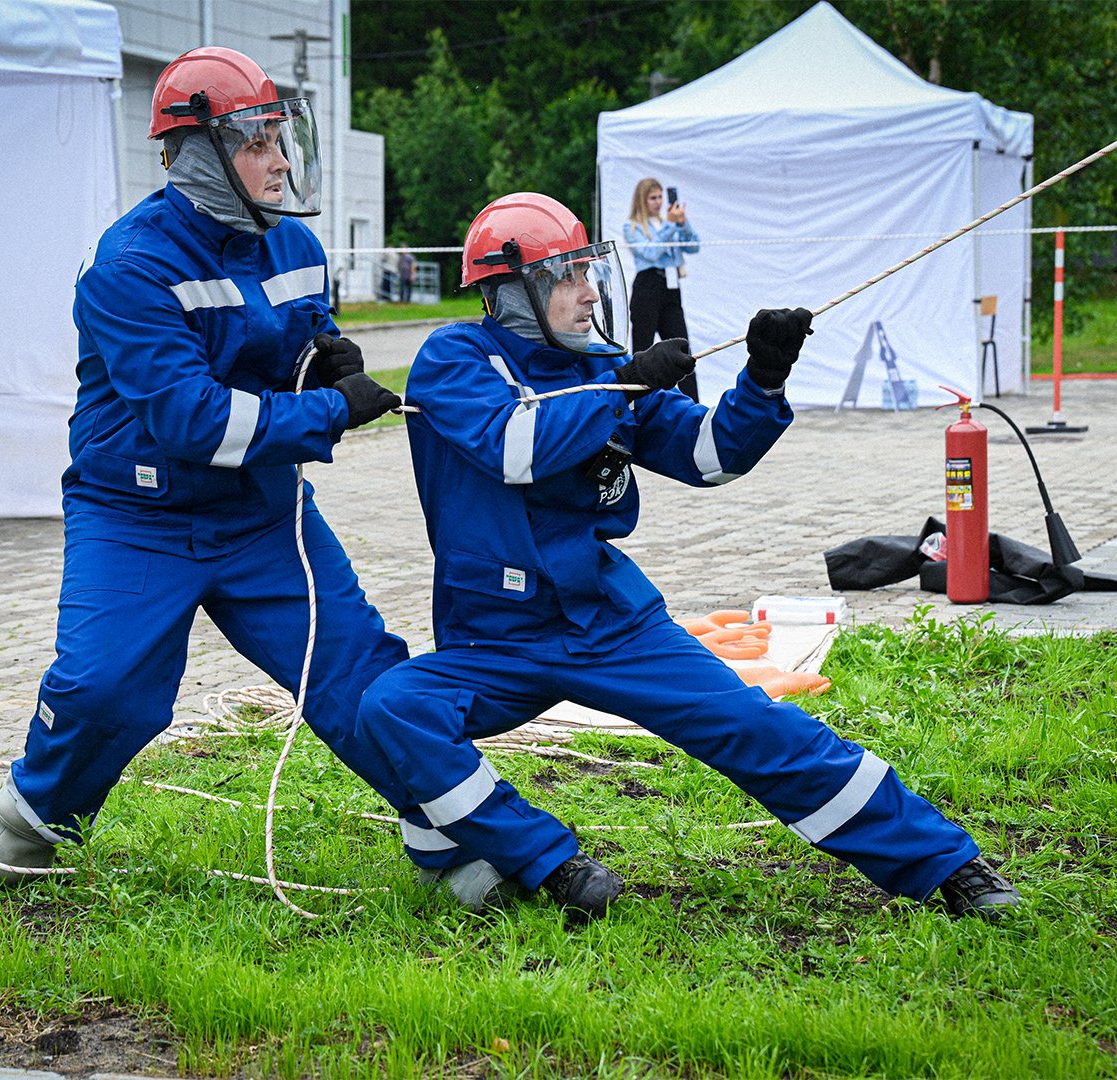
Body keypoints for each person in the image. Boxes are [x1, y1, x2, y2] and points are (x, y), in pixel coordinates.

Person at [355, 192, 1022, 922]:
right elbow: (517, 447)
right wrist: (625, 385)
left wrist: (763, 380)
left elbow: (711, 457)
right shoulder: (455, 359)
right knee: (394, 707)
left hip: (611, 623)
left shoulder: (603, 366)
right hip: (496, 635)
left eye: (588, 270)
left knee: (760, 728)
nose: (589, 292)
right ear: (509, 290)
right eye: (566, 276)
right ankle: (547, 862)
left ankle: (950, 866)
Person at [0, 47, 416, 897]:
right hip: (136, 517)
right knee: (105, 689)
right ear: (197, 151)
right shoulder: (129, 265)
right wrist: (336, 409)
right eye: (259, 143)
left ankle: (455, 828)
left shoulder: (293, 241)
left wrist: (322, 360)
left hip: (262, 512)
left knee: (359, 672)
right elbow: (197, 421)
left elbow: (290, 342)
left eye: (279, 139)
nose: (281, 160)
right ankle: (15, 838)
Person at [623, 177, 700, 399]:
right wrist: (670, 225)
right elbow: (649, 253)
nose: (658, 202)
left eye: (660, 197)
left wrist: (683, 224)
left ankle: (693, 404)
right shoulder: (633, 226)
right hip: (647, 286)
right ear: (642, 200)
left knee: (683, 350)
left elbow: (694, 246)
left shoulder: (670, 223)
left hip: (671, 287)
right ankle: (637, 402)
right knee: (643, 348)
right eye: (653, 198)